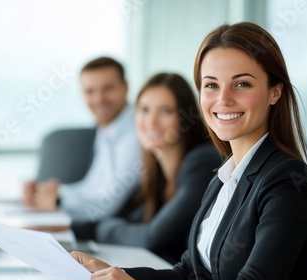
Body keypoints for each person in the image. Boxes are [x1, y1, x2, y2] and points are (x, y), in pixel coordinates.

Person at [69, 22, 307, 280]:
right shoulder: (225, 176)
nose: (224, 99)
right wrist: (114, 276)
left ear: (275, 91)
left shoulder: (287, 181)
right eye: (211, 85)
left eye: (242, 84)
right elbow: (191, 272)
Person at [71, 72, 222, 264]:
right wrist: (67, 229)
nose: (151, 122)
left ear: (185, 117)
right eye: (144, 110)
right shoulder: (156, 170)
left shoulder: (202, 162)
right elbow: (127, 221)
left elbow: (150, 237)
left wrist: (101, 229)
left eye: (166, 111)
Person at [22, 57, 141, 220]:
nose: (99, 99)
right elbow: (93, 187)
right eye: (90, 91)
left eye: (107, 88)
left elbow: (104, 205)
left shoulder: (138, 131)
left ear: (125, 87)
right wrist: (54, 190)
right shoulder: (108, 127)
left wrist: (57, 200)